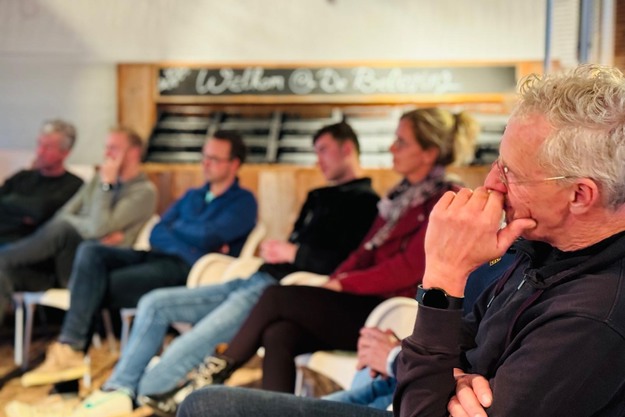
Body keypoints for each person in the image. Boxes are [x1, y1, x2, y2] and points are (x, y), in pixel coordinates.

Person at [179, 64, 625, 417]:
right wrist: (452, 375)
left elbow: (427, 347)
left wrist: (443, 275)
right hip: (411, 385)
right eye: (497, 163)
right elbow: (462, 336)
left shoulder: (592, 318)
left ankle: (198, 372)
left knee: (208, 404)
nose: (492, 182)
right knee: (244, 365)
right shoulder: (537, 249)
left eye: (512, 172)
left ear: (579, 195)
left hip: (405, 371)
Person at [142, 107, 479, 417]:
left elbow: (408, 269)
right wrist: (337, 279)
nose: (392, 148)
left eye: (401, 142)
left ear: (428, 152)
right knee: (279, 333)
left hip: (393, 313)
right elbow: (363, 252)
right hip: (362, 301)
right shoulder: (400, 196)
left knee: (276, 296)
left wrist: (341, 283)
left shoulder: (443, 199)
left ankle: (208, 376)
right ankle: (272, 411)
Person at [63, 121, 380, 417]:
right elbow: (160, 230)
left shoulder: (365, 203)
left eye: (323, 150)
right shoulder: (316, 196)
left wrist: (295, 252)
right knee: (153, 302)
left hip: (282, 291)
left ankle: (139, 394)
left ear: (346, 149)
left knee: (201, 335)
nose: (317, 159)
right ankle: (119, 387)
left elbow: (345, 263)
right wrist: (282, 251)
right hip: (255, 275)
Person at [21, 130, 258, 388]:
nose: (206, 163)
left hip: (189, 270)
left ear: (234, 164)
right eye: (204, 157)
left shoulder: (244, 202)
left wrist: (179, 231)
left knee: (91, 286)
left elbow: (208, 236)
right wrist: (189, 239)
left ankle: (68, 365)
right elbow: (158, 231)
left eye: (214, 159)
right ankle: (71, 353)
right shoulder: (193, 195)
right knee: (91, 251)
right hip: (156, 256)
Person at [0, 126, 156, 326]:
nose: (107, 154)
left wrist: (106, 187)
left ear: (134, 153)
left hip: (92, 268)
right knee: (4, 272)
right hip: (61, 261)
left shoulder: (143, 192)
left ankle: (4, 256)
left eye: (113, 148)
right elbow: (64, 213)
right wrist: (90, 226)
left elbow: (98, 227)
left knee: (63, 229)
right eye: (106, 148)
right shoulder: (97, 180)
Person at [322, 253, 515, 410]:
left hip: (442, 390)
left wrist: (396, 358)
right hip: (423, 372)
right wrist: (406, 352)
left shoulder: (521, 267)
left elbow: (406, 267)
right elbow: (467, 329)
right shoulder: (509, 256)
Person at [0, 119, 83, 245]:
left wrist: (9, 205)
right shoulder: (22, 177)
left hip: (26, 246)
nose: (39, 152)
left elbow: (40, 210)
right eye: (39, 144)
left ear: (65, 153)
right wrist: (21, 213)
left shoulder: (73, 185)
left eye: (48, 147)